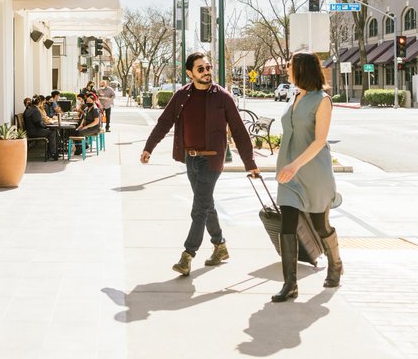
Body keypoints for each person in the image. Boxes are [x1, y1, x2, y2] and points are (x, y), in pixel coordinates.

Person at [140, 52, 258, 276]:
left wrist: (249, 162)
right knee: (206, 204)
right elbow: (164, 122)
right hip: (190, 158)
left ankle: (188, 255)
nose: (207, 72)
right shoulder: (182, 96)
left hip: (212, 159)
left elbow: (240, 130)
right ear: (190, 73)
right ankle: (220, 245)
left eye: (208, 67)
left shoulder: (222, 97)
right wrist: (149, 147)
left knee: (198, 208)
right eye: (201, 69)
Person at [271, 51, 342, 302]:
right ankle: (290, 283)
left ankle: (335, 263)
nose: (286, 70)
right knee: (287, 224)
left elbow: (319, 140)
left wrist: (295, 165)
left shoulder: (322, 100)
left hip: (312, 171)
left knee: (320, 225)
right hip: (289, 173)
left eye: (289, 66)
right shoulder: (296, 96)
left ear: (301, 69)